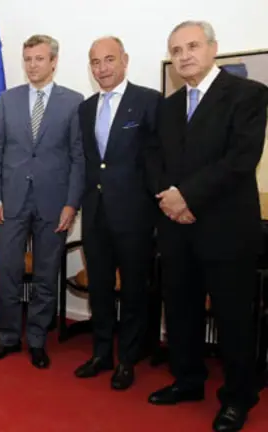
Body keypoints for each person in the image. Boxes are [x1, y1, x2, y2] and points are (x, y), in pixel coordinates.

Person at [147, 20, 268, 432]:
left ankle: (238, 397)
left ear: (213, 49)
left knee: (233, 318)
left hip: (226, 229)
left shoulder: (248, 94)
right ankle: (188, 380)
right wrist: (170, 198)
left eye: (192, 46)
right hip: (176, 227)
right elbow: (154, 158)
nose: (184, 56)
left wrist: (187, 197)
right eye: (176, 50)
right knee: (181, 311)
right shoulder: (167, 106)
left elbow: (240, 159)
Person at [0, 34, 84, 369]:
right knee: (8, 272)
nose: (32, 65)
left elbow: (78, 157)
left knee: (45, 274)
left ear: (53, 62)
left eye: (39, 59)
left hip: (54, 203)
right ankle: (8, 337)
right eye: (28, 59)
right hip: (10, 203)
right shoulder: (7, 99)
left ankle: (38, 340)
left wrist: (71, 203)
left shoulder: (74, 101)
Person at [73, 37, 161, 390]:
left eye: (109, 60)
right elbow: (89, 162)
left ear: (125, 60)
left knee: (134, 291)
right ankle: (100, 354)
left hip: (135, 215)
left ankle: (127, 358)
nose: (102, 68)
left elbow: (157, 159)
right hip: (95, 214)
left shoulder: (149, 101)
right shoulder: (85, 108)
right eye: (95, 62)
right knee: (100, 289)